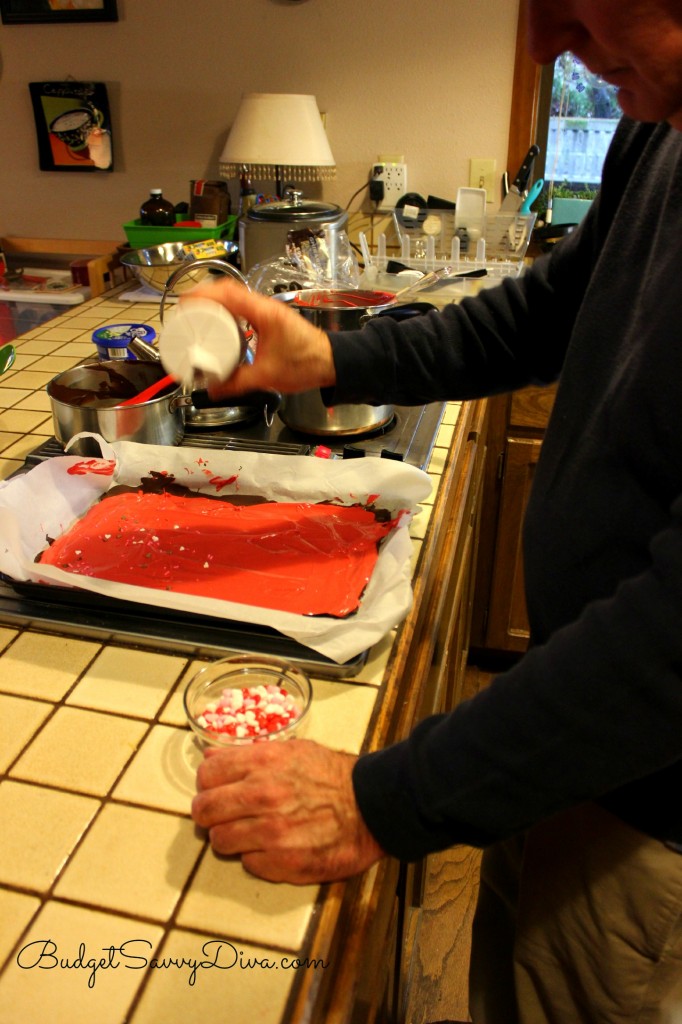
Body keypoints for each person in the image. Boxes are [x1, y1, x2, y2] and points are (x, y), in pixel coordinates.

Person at [190, 2, 682, 1020]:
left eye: (584, 7)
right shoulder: (662, 120)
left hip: (656, 815)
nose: (547, 45)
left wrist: (383, 799)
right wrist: (334, 355)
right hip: (570, 741)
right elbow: (554, 305)